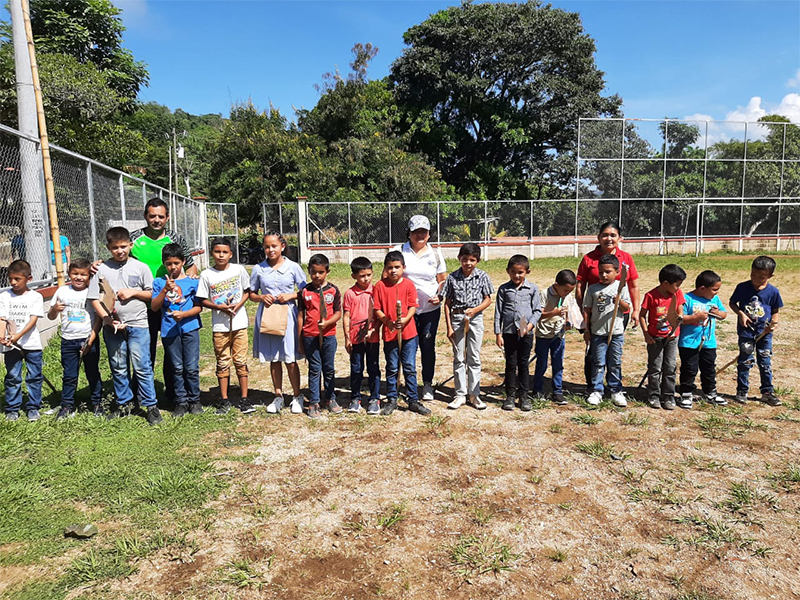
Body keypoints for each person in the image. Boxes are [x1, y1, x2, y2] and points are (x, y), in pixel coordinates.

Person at [130, 198, 198, 405]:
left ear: (167, 218)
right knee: (144, 349)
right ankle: (141, 394)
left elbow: (191, 265)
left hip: (171, 304)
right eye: (152, 216)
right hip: (144, 303)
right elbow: (119, 257)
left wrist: (190, 281)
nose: (156, 220)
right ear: (145, 216)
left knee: (172, 349)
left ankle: (174, 394)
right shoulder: (134, 239)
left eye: (161, 216)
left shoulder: (175, 238)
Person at [88, 227, 160, 424]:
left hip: (138, 324)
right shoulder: (101, 269)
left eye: (123, 247)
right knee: (118, 366)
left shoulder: (141, 267)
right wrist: (107, 319)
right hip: (112, 327)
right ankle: (124, 403)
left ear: (130, 245)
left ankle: (151, 406)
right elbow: (94, 299)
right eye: (115, 248)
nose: (120, 251)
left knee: (142, 366)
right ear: (108, 248)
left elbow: (151, 294)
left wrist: (133, 293)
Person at [576, 222, 641, 389]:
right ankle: (594, 386)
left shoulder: (626, 258)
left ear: (620, 238)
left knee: (614, 350)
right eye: (605, 235)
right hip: (595, 312)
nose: (609, 238)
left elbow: (633, 285)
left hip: (619, 313)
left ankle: (613, 386)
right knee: (593, 350)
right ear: (598, 237)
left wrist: (635, 310)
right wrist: (583, 311)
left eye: (613, 235)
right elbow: (580, 286)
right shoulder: (588, 259)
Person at [249, 231, 307, 415]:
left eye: (274, 246)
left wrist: (291, 295)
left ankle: (297, 396)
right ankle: (278, 395)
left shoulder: (293, 267)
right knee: (274, 358)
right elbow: (251, 294)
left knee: (289, 358)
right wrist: (261, 297)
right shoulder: (258, 269)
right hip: (268, 317)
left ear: (282, 246)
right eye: (267, 246)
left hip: (288, 315)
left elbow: (306, 291)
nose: (270, 249)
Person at [393, 215, 447, 401]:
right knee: (407, 347)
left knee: (427, 347)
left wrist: (439, 295)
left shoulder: (436, 254)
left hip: (429, 310)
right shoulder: (399, 250)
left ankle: (427, 385)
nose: (420, 235)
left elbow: (442, 281)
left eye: (423, 231)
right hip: (407, 311)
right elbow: (388, 276)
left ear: (429, 234)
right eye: (416, 231)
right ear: (409, 233)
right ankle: (406, 384)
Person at [197, 237, 252, 415]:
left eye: (225, 252)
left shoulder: (239, 270)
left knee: (241, 361)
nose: (221, 255)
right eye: (217, 252)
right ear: (212, 253)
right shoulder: (206, 274)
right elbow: (202, 300)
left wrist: (238, 305)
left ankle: (244, 399)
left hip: (239, 323)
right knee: (222, 361)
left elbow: (247, 291)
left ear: (231, 254)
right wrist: (218, 307)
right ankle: (224, 400)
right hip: (220, 327)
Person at [373, 251, 431, 417]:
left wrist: (405, 320)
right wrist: (387, 321)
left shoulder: (408, 285)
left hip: (409, 333)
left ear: (403, 268)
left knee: (409, 367)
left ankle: (413, 399)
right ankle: (392, 398)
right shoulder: (380, 286)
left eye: (397, 267)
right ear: (385, 268)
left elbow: (413, 306)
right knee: (392, 367)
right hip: (390, 333)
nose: (393, 271)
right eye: (390, 267)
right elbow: (377, 308)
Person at [151, 244, 203, 417]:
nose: (173, 267)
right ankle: (180, 402)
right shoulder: (159, 283)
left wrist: (185, 314)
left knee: (191, 367)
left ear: (183, 262)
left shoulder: (192, 282)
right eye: (169, 263)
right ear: (164, 264)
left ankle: (194, 400)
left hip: (190, 327)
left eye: (176, 263)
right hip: (169, 331)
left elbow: (199, 308)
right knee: (177, 367)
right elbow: (154, 306)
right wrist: (165, 289)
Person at [441, 243, 494, 410]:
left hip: (475, 319)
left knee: (474, 357)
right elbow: (447, 304)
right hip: (457, 319)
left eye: (472, 260)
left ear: (477, 260)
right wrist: (449, 327)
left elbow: (488, 299)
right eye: (465, 259)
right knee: (459, 357)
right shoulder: (452, 278)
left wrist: (475, 310)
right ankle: (460, 394)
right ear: (459, 259)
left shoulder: (482, 276)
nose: (468, 263)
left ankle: (474, 394)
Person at [48, 259, 103, 419]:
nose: (79, 277)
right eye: (75, 274)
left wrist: (91, 340)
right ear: (69, 274)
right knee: (69, 374)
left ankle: (98, 404)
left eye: (83, 274)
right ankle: (67, 406)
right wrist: (54, 309)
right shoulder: (62, 291)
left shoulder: (92, 292)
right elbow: (51, 317)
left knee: (92, 373)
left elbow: (98, 319)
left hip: (88, 339)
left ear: (89, 276)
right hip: (68, 340)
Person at [728, 255, 783, 407]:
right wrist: (741, 313)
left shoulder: (773, 292)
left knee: (765, 362)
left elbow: (775, 310)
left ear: (770, 276)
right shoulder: (742, 287)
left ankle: (767, 392)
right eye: (753, 275)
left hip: (764, 333)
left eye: (761, 277)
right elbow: (732, 303)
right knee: (744, 361)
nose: (756, 279)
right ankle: (742, 391)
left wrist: (774, 322)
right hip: (746, 332)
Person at [494, 255, 542, 411]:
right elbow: (498, 313)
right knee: (510, 364)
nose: (517, 275)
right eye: (513, 272)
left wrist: (529, 326)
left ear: (527, 272)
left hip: (526, 334)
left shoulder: (533, 289)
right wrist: (498, 333)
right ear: (508, 271)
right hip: (509, 333)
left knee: (523, 364)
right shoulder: (503, 289)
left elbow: (537, 310)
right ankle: (509, 395)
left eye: (520, 272)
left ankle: (523, 396)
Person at [583, 254, 631, 407]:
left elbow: (627, 308)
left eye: (608, 272)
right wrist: (587, 329)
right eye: (601, 271)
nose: (603, 275)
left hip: (615, 332)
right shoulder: (593, 289)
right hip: (598, 332)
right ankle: (597, 390)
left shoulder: (621, 287)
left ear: (617, 272)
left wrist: (619, 301)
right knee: (598, 363)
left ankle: (616, 390)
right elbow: (587, 310)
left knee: (615, 362)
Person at [298, 253, 342, 419]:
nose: (317, 275)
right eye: (313, 272)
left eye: (320, 272)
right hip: (310, 336)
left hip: (328, 335)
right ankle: (314, 401)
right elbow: (301, 316)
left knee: (328, 368)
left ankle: (330, 398)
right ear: (309, 271)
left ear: (327, 272)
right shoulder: (305, 292)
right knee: (315, 368)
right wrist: (300, 338)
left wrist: (328, 322)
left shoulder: (333, 290)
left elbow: (338, 312)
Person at [0, 260, 44, 421]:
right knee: (12, 376)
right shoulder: (4, 296)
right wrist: (2, 336)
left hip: (31, 344)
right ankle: (12, 408)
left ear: (29, 278)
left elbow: (33, 320)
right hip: (11, 347)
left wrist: (18, 335)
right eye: (11, 278)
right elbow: (2, 318)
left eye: (17, 279)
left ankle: (33, 407)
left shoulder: (36, 297)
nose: (13, 282)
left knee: (34, 376)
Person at [678, 270, 727, 409]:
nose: (716, 293)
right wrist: (695, 318)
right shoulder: (686, 299)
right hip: (689, 342)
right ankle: (686, 393)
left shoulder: (714, 299)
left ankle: (710, 392)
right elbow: (680, 319)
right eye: (714, 290)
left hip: (708, 341)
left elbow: (724, 314)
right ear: (702, 288)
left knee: (709, 368)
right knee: (689, 368)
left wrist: (717, 313)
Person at [640, 264, 686, 410]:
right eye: (676, 285)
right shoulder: (651, 296)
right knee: (655, 367)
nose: (678, 288)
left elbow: (679, 308)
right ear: (665, 283)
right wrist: (646, 334)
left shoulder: (677, 294)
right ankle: (653, 394)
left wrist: (679, 317)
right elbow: (642, 316)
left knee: (670, 366)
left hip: (672, 337)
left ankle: (669, 395)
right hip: (655, 338)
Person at [532, 269, 577, 407]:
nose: (567, 293)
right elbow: (538, 315)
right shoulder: (545, 294)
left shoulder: (568, 296)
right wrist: (553, 313)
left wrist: (568, 323)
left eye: (570, 291)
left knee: (558, 363)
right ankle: (537, 390)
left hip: (559, 335)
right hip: (543, 335)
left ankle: (557, 390)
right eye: (565, 290)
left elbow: (569, 311)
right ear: (556, 285)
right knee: (542, 363)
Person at [343, 256, 381, 415]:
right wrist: (347, 337)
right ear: (354, 276)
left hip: (372, 337)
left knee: (373, 367)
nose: (366, 279)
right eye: (361, 276)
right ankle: (355, 398)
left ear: (372, 273)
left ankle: (374, 398)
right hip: (356, 337)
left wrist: (374, 329)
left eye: (368, 275)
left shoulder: (376, 291)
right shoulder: (350, 294)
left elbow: (380, 315)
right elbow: (346, 316)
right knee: (356, 368)